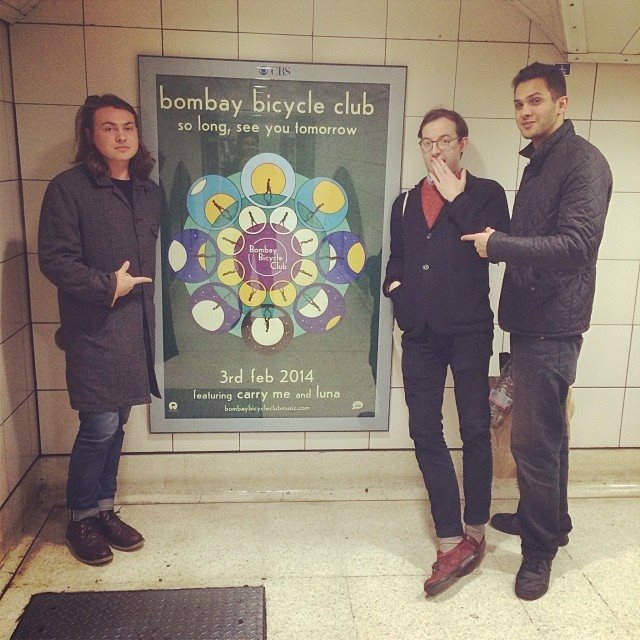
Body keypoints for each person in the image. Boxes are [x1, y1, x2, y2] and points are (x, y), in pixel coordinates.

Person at [462, 62, 612, 600]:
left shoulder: (583, 164)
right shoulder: (541, 163)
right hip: (531, 324)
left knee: (534, 443)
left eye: (535, 101)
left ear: (561, 103)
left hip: (553, 327)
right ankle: (549, 519)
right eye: (519, 103)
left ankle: (539, 553)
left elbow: (576, 247)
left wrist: (497, 244)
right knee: (548, 437)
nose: (525, 112)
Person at [383, 108, 510, 596]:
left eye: (444, 141)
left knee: (475, 426)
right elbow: (398, 255)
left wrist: (457, 199)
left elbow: (493, 246)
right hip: (419, 331)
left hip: (470, 329)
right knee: (424, 429)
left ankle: (476, 526)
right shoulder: (404, 202)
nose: (435, 150)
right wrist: (397, 290)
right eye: (427, 142)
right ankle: (450, 535)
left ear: (462, 144)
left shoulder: (488, 194)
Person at [38, 94, 161, 565]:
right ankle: (79, 517)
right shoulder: (69, 188)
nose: (121, 135)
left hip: (135, 327)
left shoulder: (149, 191)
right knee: (99, 425)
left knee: (119, 423)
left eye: (128, 126)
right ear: (90, 135)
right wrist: (109, 284)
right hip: (93, 326)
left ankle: (104, 508)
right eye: (109, 127)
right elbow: (55, 259)